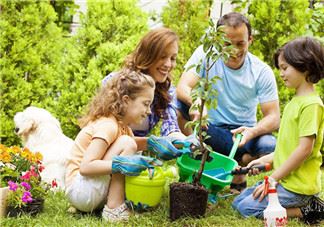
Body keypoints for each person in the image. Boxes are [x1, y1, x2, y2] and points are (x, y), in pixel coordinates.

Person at [176, 12, 280, 193]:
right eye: (226, 44)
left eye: (240, 44)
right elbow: (183, 86)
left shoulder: (261, 71)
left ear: (250, 40)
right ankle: (235, 165)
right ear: (217, 40)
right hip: (212, 129)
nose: (234, 51)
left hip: (243, 134)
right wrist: (197, 102)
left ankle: (237, 164)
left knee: (269, 146)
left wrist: (251, 131)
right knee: (182, 104)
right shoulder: (206, 54)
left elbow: (274, 117)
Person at [232, 37, 324, 225]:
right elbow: (288, 147)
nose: (281, 73)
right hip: (286, 182)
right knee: (238, 201)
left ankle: (310, 209)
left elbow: (304, 150)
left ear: (304, 65)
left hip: (298, 187)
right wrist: (262, 160)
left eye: (285, 68)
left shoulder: (311, 105)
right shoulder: (295, 102)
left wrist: (273, 178)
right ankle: (300, 205)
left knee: (246, 208)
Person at [65, 70, 162, 222]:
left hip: (89, 191)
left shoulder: (123, 127)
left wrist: (155, 143)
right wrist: (122, 164)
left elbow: (135, 145)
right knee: (128, 144)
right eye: (146, 104)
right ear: (126, 100)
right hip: (80, 190)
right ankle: (114, 209)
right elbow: (86, 167)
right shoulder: (108, 125)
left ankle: (114, 203)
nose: (149, 111)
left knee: (130, 144)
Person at [102, 27, 188, 152]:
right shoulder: (114, 83)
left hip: (131, 154)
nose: (168, 64)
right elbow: (100, 130)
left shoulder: (166, 91)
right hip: (103, 153)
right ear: (149, 55)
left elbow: (170, 128)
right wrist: (151, 143)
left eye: (172, 58)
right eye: (162, 57)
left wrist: (186, 142)